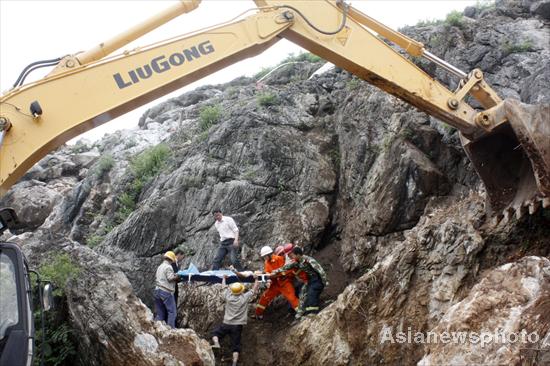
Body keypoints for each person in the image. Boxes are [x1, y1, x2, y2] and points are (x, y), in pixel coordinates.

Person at [211, 276, 259, 366]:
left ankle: (216, 343)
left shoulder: (228, 297)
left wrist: (224, 278)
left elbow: (223, 287)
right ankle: (234, 363)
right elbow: (254, 290)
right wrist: (256, 279)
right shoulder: (244, 298)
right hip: (237, 326)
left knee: (215, 333)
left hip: (226, 323)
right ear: (241, 291)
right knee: (235, 345)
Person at [269, 246, 327, 319]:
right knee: (302, 294)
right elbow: (286, 267)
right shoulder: (296, 262)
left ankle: (313, 312)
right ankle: (301, 312)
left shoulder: (308, 260)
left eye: (291, 255)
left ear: (298, 254)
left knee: (311, 293)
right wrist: (275, 271)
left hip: (316, 280)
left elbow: (320, 270)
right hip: (308, 281)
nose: (290, 257)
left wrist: (325, 282)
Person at [254, 246, 299, 319]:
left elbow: (283, 272)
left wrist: (263, 277)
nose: (264, 258)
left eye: (265, 256)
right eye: (264, 257)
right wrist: (261, 278)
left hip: (284, 282)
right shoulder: (267, 263)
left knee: (292, 298)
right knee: (265, 297)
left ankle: (301, 312)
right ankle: (258, 314)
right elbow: (268, 274)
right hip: (275, 284)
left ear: (269, 254)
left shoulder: (279, 259)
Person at [153, 251, 180, 328]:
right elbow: (170, 278)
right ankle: (170, 329)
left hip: (157, 290)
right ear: (171, 259)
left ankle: (156, 327)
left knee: (160, 313)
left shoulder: (160, 266)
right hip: (165, 291)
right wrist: (178, 276)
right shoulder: (168, 267)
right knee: (172, 312)